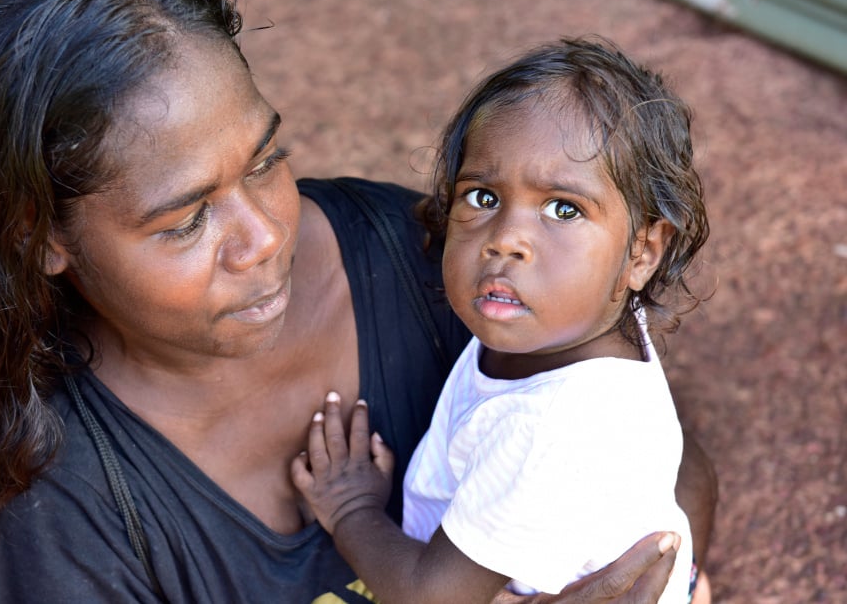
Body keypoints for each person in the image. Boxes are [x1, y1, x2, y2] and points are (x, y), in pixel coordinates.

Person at [0, 0, 715, 604]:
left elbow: (661, 457)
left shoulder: (425, 260)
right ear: (40, 236)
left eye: (265, 162)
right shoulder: (62, 509)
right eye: (186, 219)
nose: (264, 237)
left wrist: (657, 573)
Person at [291, 38, 712, 604]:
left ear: (642, 252)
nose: (505, 239)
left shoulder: (544, 427)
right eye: (483, 197)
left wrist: (350, 509)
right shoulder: (584, 320)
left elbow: (430, 596)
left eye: (563, 209)